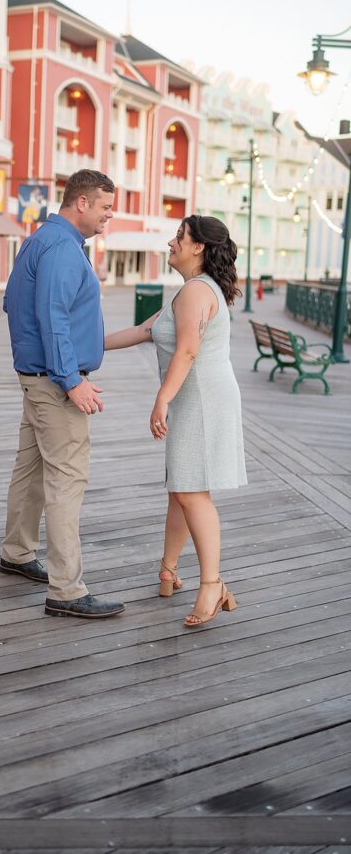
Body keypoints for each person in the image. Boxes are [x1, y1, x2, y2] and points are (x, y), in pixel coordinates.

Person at [105, 214, 246, 627]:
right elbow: (142, 331)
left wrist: (161, 399)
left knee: (192, 492)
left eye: (178, 237)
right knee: (180, 488)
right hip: (195, 396)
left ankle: (213, 585)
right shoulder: (189, 292)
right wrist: (80, 354)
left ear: (198, 246)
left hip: (200, 398)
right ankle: (168, 568)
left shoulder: (197, 292)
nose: (171, 242)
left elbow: (187, 351)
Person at [0, 170, 125, 619]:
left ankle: (16, 553)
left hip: (37, 378)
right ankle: (66, 590)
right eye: (106, 206)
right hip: (54, 383)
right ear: (82, 203)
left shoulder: (42, 240)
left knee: (30, 468)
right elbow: (53, 316)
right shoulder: (62, 248)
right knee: (67, 479)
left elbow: (14, 303)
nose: (110, 214)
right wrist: (72, 380)